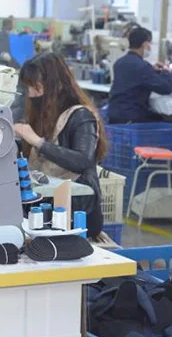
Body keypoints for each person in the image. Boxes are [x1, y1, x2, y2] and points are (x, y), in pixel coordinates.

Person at [14, 53, 107, 239]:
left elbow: (83, 160)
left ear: (54, 85)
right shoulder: (43, 114)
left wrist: (37, 141)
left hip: (77, 209)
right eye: (28, 87)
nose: (30, 93)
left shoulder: (81, 116)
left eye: (36, 87)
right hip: (47, 201)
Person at [108, 27, 172, 124]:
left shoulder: (119, 62)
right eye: (150, 43)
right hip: (131, 117)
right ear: (145, 44)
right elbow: (167, 88)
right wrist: (166, 72)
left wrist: (151, 69)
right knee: (166, 121)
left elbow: (134, 77)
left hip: (114, 114)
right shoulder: (142, 66)